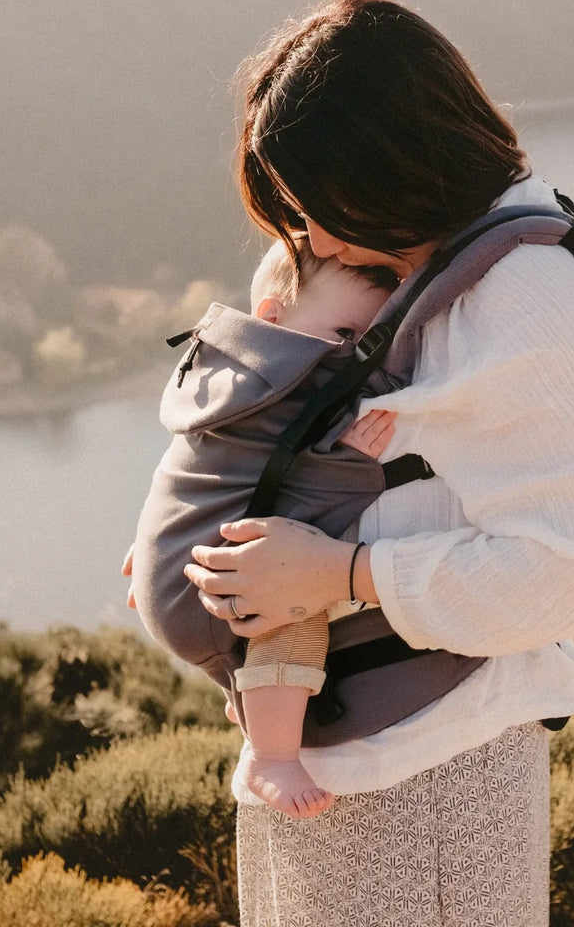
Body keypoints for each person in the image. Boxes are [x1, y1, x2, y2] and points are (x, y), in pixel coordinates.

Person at [145, 0, 574, 926]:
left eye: (320, 206)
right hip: (325, 761)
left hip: (431, 777)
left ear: (393, 162)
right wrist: (191, 537)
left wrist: (340, 573)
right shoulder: (385, 262)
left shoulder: (525, 288)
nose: (313, 239)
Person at [125, 237, 401, 819]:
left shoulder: (227, 372)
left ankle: (246, 695)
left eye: (371, 339)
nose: (359, 356)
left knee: (274, 590)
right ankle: (270, 755)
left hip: (170, 566)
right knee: (294, 603)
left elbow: (203, 472)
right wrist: (346, 466)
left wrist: (157, 547)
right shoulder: (296, 391)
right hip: (205, 588)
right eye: (346, 334)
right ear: (273, 318)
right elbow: (292, 511)